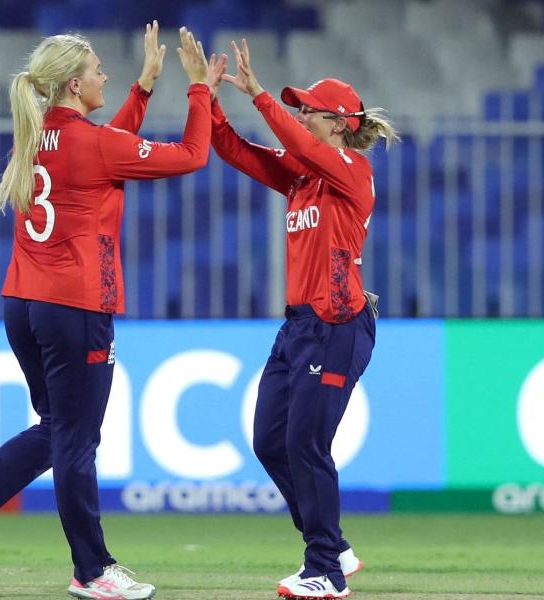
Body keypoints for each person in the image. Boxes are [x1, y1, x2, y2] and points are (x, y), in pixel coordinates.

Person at [0, 22, 224, 600]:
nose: (104, 76)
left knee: (60, 431)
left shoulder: (34, 139)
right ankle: (92, 570)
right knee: (77, 440)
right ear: (71, 83)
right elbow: (192, 155)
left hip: (23, 303)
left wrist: (142, 87)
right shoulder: (93, 143)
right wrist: (197, 90)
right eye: (96, 70)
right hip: (76, 304)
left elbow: (106, 148)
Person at [209, 39, 398, 600]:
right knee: (270, 439)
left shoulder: (352, 171)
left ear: (338, 123)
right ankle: (332, 544)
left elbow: (292, 141)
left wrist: (260, 95)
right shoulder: (302, 178)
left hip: (338, 323)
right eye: (299, 107)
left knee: (307, 444)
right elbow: (235, 150)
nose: (300, 115)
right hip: (298, 327)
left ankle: (327, 572)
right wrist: (206, 96)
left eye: (309, 108)